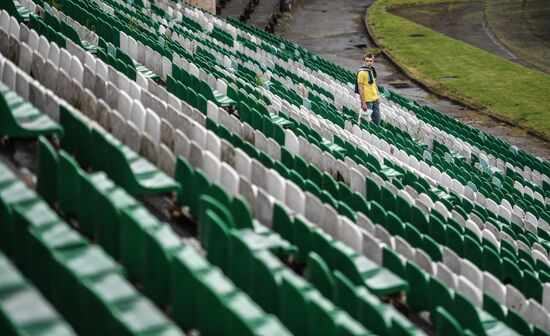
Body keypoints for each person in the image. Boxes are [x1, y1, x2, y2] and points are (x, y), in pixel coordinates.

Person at [355, 53, 381, 125]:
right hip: (367, 101)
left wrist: (378, 96)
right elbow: (360, 88)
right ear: (364, 61)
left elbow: (374, 84)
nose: (369, 63)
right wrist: (363, 103)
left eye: (370, 61)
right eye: (367, 61)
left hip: (375, 99)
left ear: (373, 62)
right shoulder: (361, 72)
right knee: (366, 122)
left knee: (377, 120)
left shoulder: (371, 70)